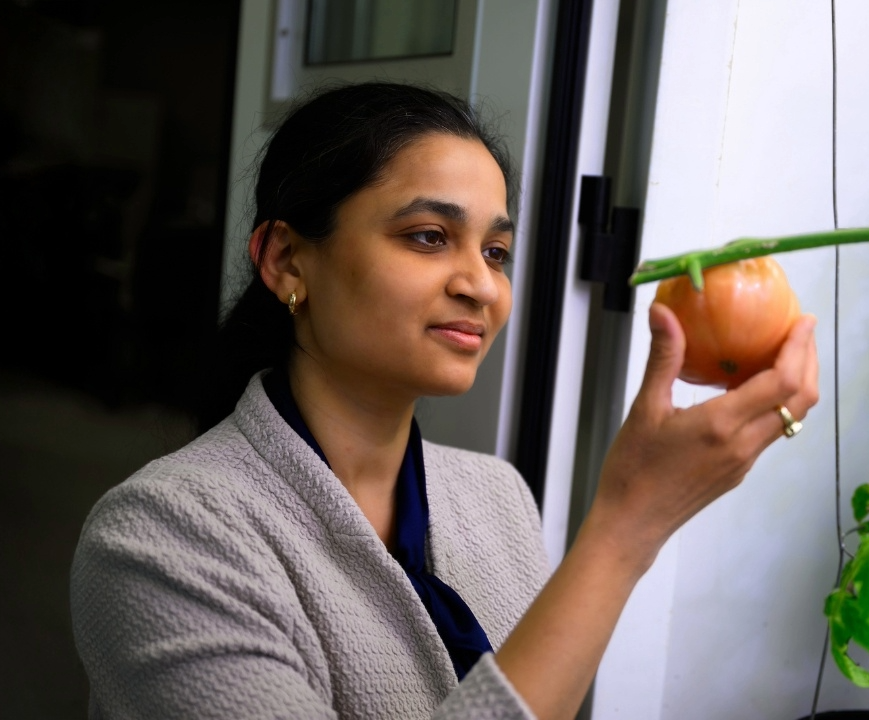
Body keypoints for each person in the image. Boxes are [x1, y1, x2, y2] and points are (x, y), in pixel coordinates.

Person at [70, 82, 818, 720]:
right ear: (285, 258)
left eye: (496, 252)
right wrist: (627, 527)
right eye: (428, 237)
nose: (480, 284)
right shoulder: (161, 541)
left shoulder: (495, 496)